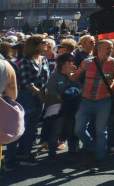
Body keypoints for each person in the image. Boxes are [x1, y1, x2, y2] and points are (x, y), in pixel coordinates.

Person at [74, 38, 114, 172]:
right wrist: (69, 73)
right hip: (86, 100)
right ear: (98, 49)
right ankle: (94, 148)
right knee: (79, 129)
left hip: (103, 101)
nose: (111, 51)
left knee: (101, 131)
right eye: (108, 48)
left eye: (111, 48)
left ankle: (99, 159)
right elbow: (75, 77)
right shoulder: (86, 62)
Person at [7, 35, 50, 167]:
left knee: (31, 128)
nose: (46, 44)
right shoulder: (26, 61)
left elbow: (46, 79)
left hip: (40, 97)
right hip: (28, 97)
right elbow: (26, 82)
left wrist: (44, 93)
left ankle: (25, 154)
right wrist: (39, 93)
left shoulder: (43, 59)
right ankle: (11, 157)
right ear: (36, 45)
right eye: (43, 42)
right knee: (20, 127)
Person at [45, 52, 81, 160]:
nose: (71, 63)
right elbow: (51, 90)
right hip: (58, 106)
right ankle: (52, 152)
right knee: (55, 130)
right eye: (69, 61)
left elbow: (78, 86)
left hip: (71, 107)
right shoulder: (55, 75)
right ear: (62, 63)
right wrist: (60, 97)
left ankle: (73, 149)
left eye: (72, 61)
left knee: (71, 129)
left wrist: (72, 76)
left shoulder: (73, 74)